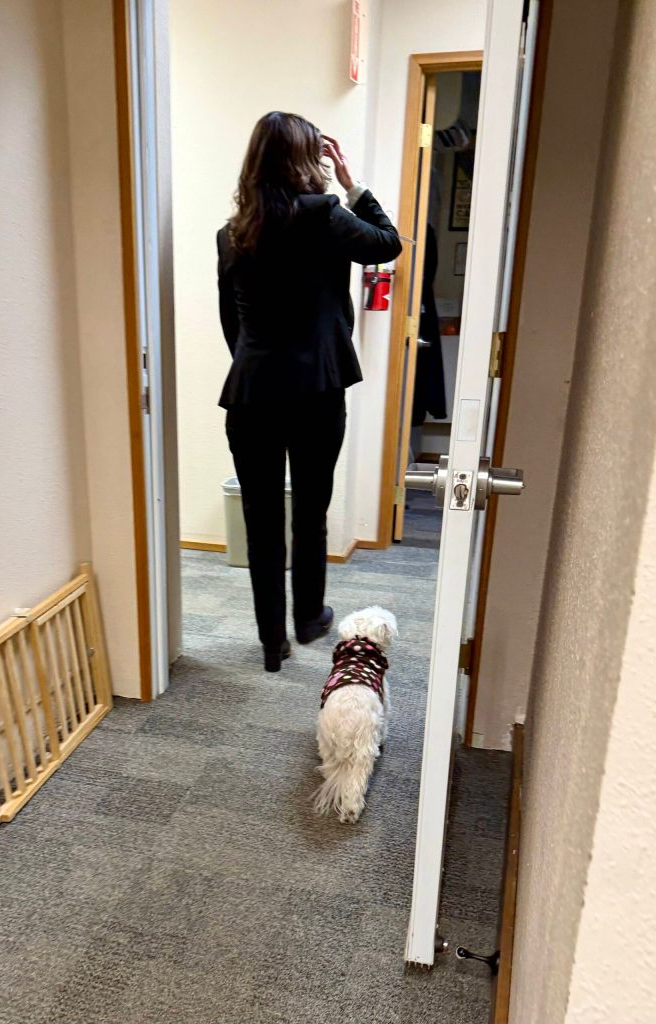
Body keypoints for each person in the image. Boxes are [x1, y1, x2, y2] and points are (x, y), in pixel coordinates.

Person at [217, 111, 401, 672]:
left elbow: (233, 323)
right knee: (311, 508)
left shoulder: (233, 231)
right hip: (318, 391)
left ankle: (272, 640)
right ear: (308, 158)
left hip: (251, 394)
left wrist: (257, 367)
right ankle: (308, 616)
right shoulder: (326, 215)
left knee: (261, 519)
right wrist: (352, 182)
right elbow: (387, 245)